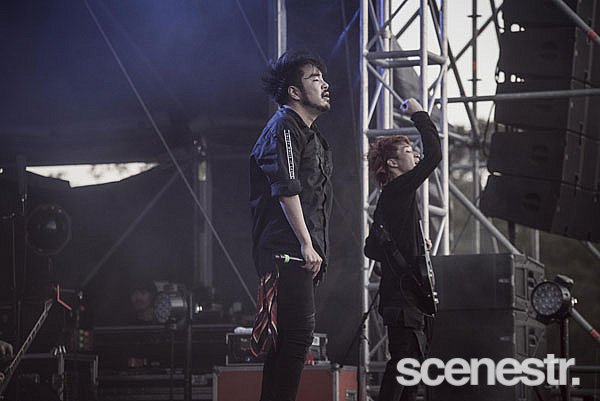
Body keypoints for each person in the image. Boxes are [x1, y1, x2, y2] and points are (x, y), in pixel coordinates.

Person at [249, 50, 332, 401]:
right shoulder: (284, 126)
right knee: (297, 338)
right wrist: (306, 243)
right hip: (288, 250)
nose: (325, 84)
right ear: (294, 92)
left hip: (300, 251)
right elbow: (286, 188)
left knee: (287, 342)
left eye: (323, 78)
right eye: (315, 78)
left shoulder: (312, 136)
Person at [365, 98, 441, 401]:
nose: (416, 155)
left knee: (409, 370)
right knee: (403, 365)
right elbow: (434, 154)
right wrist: (419, 114)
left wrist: (415, 242)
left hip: (405, 297)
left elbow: (373, 248)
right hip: (402, 298)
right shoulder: (398, 189)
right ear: (393, 164)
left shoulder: (393, 198)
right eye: (409, 152)